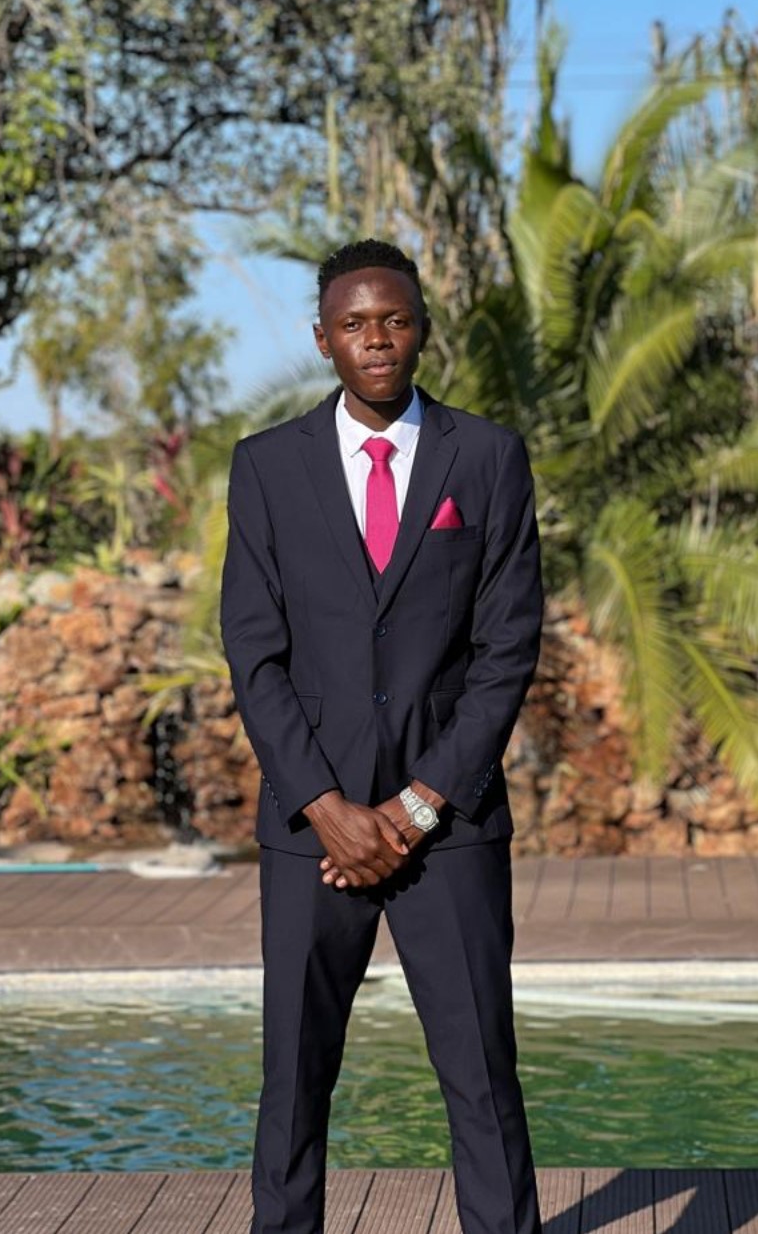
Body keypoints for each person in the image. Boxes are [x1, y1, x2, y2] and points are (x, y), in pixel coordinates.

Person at [220, 238, 544, 1234]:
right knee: (295, 1081)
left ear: (422, 331)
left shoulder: (484, 457)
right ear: (323, 337)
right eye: (356, 323)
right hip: (311, 834)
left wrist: (415, 803)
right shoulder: (267, 466)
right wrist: (324, 805)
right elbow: (254, 650)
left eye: (395, 320)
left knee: (483, 1076)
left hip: (445, 824)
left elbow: (507, 647)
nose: (378, 339)